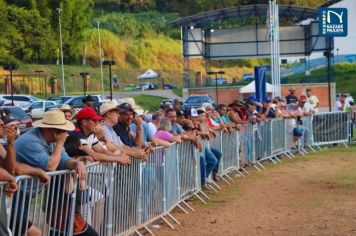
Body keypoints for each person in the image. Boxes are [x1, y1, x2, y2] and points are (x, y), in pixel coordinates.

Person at [13, 110, 87, 236]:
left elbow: (64, 160)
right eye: (62, 130)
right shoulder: (30, 141)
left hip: (23, 194)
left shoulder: (52, 142)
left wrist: (77, 164)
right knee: (28, 231)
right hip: (11, 193)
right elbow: (51, 166)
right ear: (51, 130)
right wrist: (60, 143)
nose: (65, 133)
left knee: (18, 231)